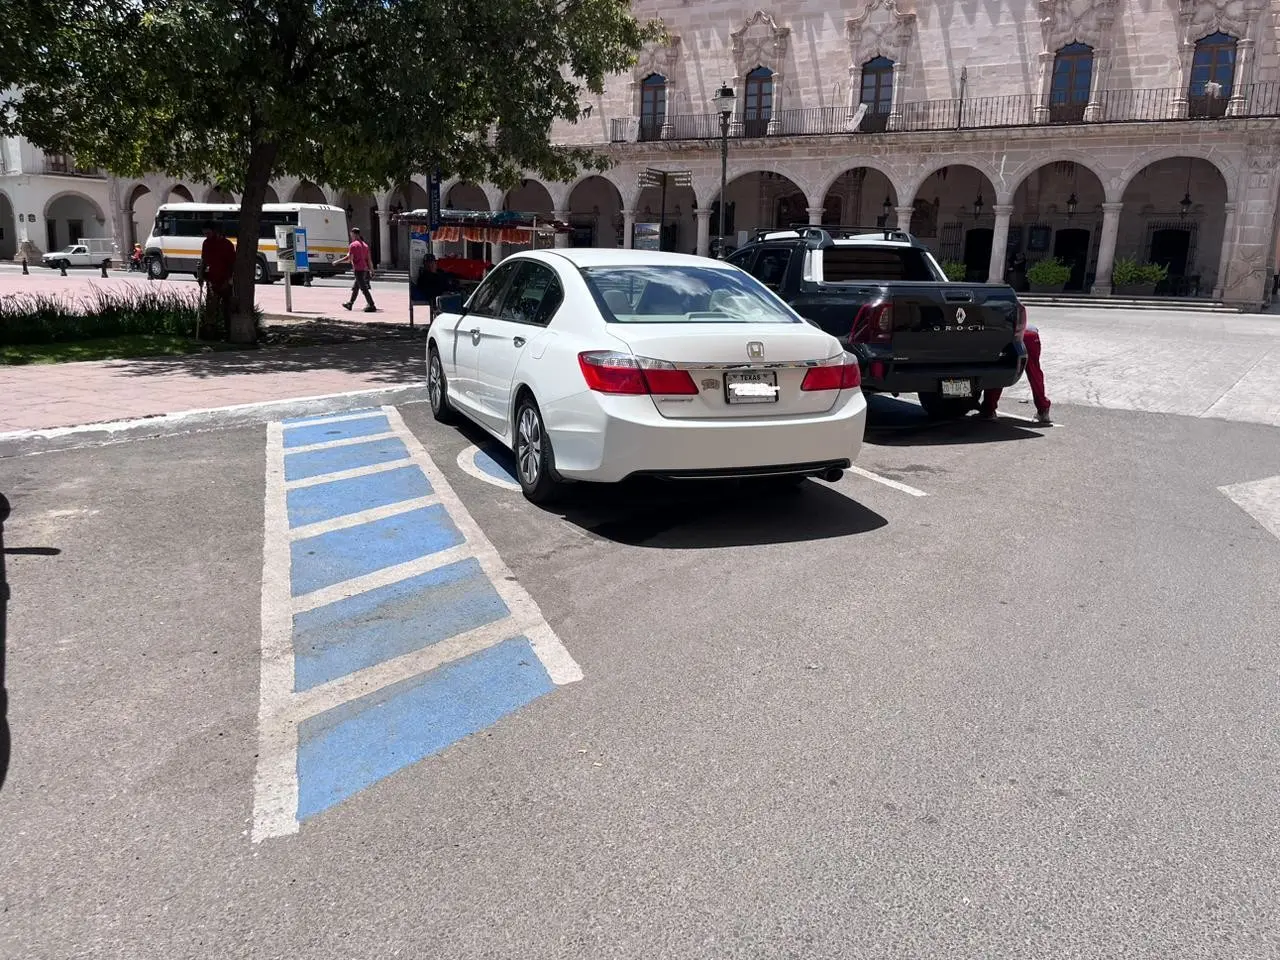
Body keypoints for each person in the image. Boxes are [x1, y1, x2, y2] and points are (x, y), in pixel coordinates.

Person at [980, 325, 1052, 424]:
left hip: (1010, 335)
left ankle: (989, 409)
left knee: (1001, 368)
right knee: (1034, 373)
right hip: (1031, 335)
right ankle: (1043, 409)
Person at [199, 221, 236, 337]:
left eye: (208, 233)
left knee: (227, 309)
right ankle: (210, 332)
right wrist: (201, 276)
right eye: (204, 234)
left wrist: (229, 280)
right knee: (210, 309)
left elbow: (233, 264)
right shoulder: (206, 244)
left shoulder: (227, 245)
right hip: (212, 281)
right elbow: (204, 261)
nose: (206, 236)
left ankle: (229, 331)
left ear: (215, 232)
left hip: (226, 281)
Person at [337, 227, 376, 312]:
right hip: (364, 269)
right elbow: (369, 259)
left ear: (354, 234)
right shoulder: (365, 245)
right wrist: (372, 270)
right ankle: (350, 304)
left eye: (351, 235)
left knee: (363, 288)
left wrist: (337, 262)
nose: (351, 237)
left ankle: (372, 304)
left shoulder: (353, 245)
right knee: (356, 287)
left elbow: (349, 258)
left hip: (358, 269)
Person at [414, 254, 459, 318]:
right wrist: (442, 293)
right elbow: (428, 291)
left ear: (435, 263)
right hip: (439, 298)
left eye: (432, 263)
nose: (430, 265)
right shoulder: (423, 277)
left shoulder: (441, 272)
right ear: (424, 265)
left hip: (452, 293)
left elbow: (451, 279)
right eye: (428, 263)